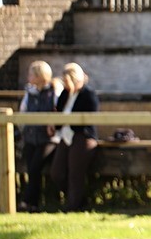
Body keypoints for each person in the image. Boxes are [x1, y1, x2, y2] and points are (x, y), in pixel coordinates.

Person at [49, 62, 100, 212]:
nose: (65, 84)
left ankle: (73, 206)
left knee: (75, 172)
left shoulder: (88, 94)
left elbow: (89, 119)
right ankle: (78, 200)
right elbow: (59, 114)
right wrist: (54, 125)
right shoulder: (65, 94)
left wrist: (66, 122)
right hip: (66, 136)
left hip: (82, 136)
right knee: (56, 172)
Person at [17, 61, 61, 212]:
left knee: (35, 167)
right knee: (31, 169)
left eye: (31, 74)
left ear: (39, 76)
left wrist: (53, 124)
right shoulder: (29, 93)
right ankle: (33, 204)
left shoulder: (54, 91)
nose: (28, 77)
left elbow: (59, 111)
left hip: (48, 139)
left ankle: (27, 201)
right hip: (31, 136)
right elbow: (23, 113)